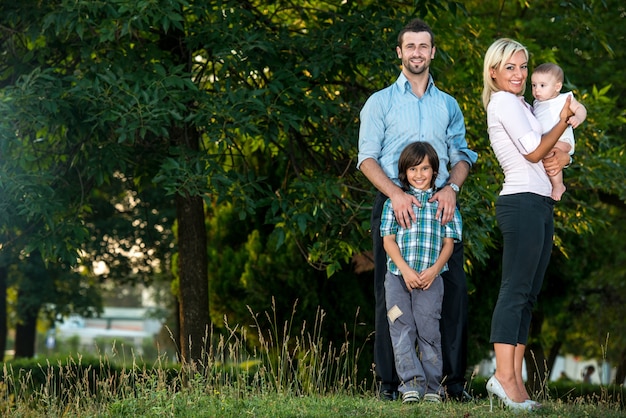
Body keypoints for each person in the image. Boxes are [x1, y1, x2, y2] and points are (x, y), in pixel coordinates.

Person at [357, 18, 478, 402]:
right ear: (399, 52)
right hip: (395, 204)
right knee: (390, 294)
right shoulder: (380, 102)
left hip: (439, 208)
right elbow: (366, 158)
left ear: (433, 52)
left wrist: (453, 188)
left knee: (452, 293)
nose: (417, 53)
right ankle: (392, 385)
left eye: (424, 46)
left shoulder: (449, 105)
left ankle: (450, 384)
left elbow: (462, 157)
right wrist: (395, 193)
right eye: (410, 46)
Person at [482, 38, 574, 412]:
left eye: (523, 67)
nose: (519, 74)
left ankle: (515, 381)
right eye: (511, 68)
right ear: (494, 72)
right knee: (515, 291)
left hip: (536, 201)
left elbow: (553, 148)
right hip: (520, 201)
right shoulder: (504, 101)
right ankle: (503, 377)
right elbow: (535, 151)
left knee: (528, 294)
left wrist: (565, 149)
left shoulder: (523, 102)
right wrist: (565, 123)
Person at [380, 141, 463, 404]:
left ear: (434, 171)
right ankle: (410, 386)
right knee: (401, 327)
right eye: (413, 169)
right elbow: (388, 240)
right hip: (397, 277)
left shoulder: (443, 204)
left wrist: (434, 270)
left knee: (429, 331)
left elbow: (449, 243)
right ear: (404, 172)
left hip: (431, 279)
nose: (419, 174)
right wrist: (405, 271)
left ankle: (432, 388)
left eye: (425, 168)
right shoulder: (395, 203)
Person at [531, 62, 587, 201]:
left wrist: (577, 118)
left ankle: (558, 185)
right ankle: (550, 183)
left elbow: (581, 109)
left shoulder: (564, 99)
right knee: (545, 154)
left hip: (562, 139)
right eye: (534, 85)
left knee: (549, 152)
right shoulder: (537, 103)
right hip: (548, 140)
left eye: (542, 85)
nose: (537, 90)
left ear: (557, 86)